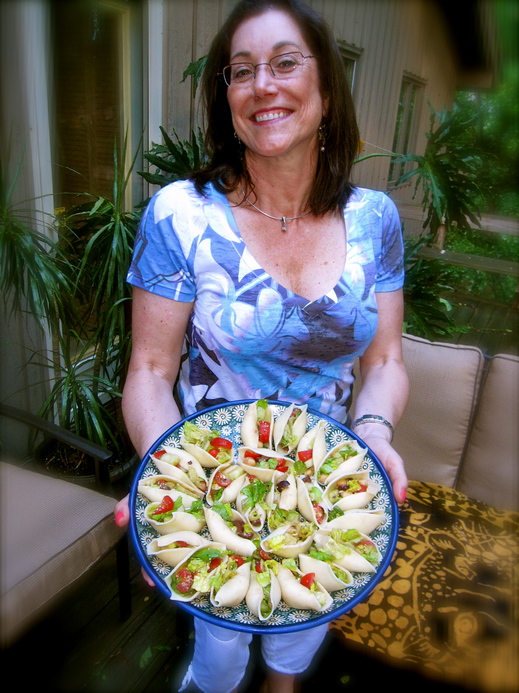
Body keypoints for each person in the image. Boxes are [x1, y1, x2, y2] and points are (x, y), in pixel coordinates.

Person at [114, 1, 409, 691]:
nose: (262, 84)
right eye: (240, 71)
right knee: (218, 650)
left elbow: (387, 360)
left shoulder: (376, 220)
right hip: (214, 494)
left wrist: (373, 431)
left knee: (295, 646)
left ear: (327, 91)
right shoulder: (181, 214)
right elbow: (150, 371)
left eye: (283, 62)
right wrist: (171, 479)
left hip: (326, 497)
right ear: (227, 102)